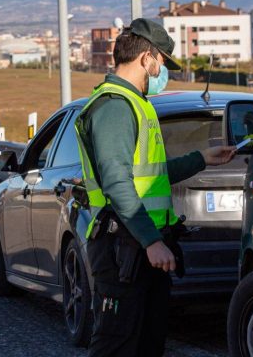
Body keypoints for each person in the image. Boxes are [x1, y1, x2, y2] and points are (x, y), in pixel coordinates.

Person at [75, 18, 236, 356]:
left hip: (136, 247)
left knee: (147, 345)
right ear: (146, 58)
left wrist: (202, 158)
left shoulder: (134, 103)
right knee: (116, 346)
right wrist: (151, 241)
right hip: (123, 247)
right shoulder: (114, 106)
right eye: (162, 60)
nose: (162, 68)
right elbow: (118, 183)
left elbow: (152, 175)